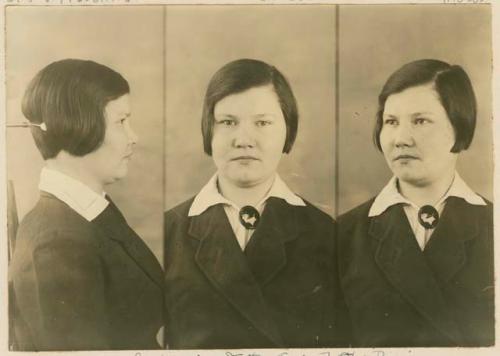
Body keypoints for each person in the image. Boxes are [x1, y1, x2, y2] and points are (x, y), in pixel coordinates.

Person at [164, 58, 350, 349]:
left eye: (262, 123)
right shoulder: (169, 230)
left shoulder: (327, 234)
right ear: (208, 131)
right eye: (228, 122)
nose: (243, 140)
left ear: (287, 130)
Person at [9, 59, 165, 351]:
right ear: (77, 126)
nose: (134, 137)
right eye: (121, 121)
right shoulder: (56, 245)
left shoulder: (85, 214)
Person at [338, 59, 494, 347]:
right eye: (391, 122)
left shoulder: (492, 226)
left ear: (459, 127)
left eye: (420, 121)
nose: (400, 139)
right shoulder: (343, 235)